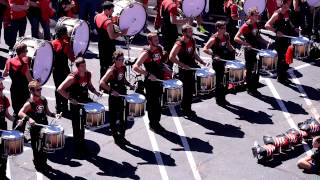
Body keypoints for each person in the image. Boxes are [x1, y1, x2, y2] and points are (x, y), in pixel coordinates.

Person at [57, 57, 101, 155]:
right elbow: (60, 89)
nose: (84, 67)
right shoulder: (72, 77)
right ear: (77, 67)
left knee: (83, 125)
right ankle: (78, 147)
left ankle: (82, 143)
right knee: (77, 126)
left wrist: (95, 92)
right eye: (82, 66)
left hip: (84, 101)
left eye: (85, 65)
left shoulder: (88, 74)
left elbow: (89, 85)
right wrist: (71, 99)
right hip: (75, 103)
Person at [18, 80, 61, 172]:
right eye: (38, 90)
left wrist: (55, 115)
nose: (40, 91)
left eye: (40, 89)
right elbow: (20, 113)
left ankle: (44, 163)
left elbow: (48, 112)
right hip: (35, 129)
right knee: (37, 148)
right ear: (32, 91)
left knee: (45, 147)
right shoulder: (29, 104)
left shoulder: (43, 100)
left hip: (44, 127)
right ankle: (38, 164)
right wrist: (29, 119)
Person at [133, 32, 171, 132]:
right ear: (149, 41)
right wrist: (148, 75)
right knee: (152, 104)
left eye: (157, 39)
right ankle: (153, 124)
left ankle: (157, 122)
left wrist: (167, 69)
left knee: (158, 103)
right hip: (150, 82)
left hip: (159, 79)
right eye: (155, 40)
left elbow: (160, 63)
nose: (157, 41)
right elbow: (135, 67)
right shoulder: (146, 53)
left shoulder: (158, 49)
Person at [169, 24, 206, 117]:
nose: (191, 33)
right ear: (184, 33)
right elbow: (171, 57)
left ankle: (188, 108)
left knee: (190, 89)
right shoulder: (179, 43)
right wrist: (183, 65)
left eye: (191, 31)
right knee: (186, 90)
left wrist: (201, 61)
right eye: (189, 31)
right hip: (184, 69)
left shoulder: (192, 40)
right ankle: (185, 109)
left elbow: (194, 53)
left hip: (191, 67)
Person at [100, 50, 134, 147]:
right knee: (113, 118)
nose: (122, 61)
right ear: (115, 60)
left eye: (123, 59)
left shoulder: (123, 67)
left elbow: (122, 78)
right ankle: (116, 137)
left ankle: (122, 136)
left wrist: (129, 84)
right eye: (119, 59)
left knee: (124, 117)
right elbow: (102, 82)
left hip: (123, 94)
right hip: (114, 97)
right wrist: (111, 91)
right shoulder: (111, 70)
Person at [265, 0, 299, 84]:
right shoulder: (276, 14)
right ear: (283, 4)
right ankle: (280, 77)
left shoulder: (287, 12)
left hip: (287, 39)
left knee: (287, 58)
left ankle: (284, 76)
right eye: (288, 4)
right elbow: (267, 25)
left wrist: (294, 28)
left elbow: (289, 21)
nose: (289, 6)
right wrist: (276, 31)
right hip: (280, 40)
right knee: (281, 59)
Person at [203, 21, 235, 106]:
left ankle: (223, 97)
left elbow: (229, 45)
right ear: (218, 28)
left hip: (225, 60)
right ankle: (219, 99)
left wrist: (234, 50)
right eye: (222, 28)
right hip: (217, 62)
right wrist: (213, 55)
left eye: (225, 28)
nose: (224, 29)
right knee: (219, 82)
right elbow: (205, 48)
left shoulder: (226, 35)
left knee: (225, 81)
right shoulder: (213, 39)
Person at [235, 7, 265, 96]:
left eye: (257, 15)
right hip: (249, 51)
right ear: (250, 16)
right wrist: (246, 44)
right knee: (250, 69)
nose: (257, 17)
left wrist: (266, 41)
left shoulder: (256, 24)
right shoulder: (245, 26)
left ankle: (255, 87)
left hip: (257, 49)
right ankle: (249, 88)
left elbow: (258, 36)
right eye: (255, 15)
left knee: (257, 69)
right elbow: (236, 38)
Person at [3, 43, 32, 132]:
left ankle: (14, 131)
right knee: (23, 111)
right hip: (23, 91)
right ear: (22, 52)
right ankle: (21, 132)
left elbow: (5, 74)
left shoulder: (9, 61)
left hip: (14, 89)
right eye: (26, 51)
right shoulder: (24, 64)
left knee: (16, 111)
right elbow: (30, 80)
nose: (27, 53)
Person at [94, 1, 128, 78]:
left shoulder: (96, 16)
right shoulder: (108, 21)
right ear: (107, 10)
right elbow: (112, 36)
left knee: (103, 66)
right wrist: (122, 33)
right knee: (111, 66)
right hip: (109, 46)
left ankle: (101, 85)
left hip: (101, 44)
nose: (113, 12)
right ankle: (108, 84)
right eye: (112, 10)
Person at [51, 25, 75, 114]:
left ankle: (58, 107)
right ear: (64, 34)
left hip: (55, 69)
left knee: (57, 88)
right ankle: (64, 107)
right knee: (65, 88)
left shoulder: (52, 43)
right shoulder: (66, 44)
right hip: (64, 69)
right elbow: (72, 58)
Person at [0, 80, 14, 180]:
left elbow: (7, 115)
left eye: (2, 88)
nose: (2, 91)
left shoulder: (5, 99)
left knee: (4, 153)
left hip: (2, 127)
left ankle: (3, 174)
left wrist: (16, 120)